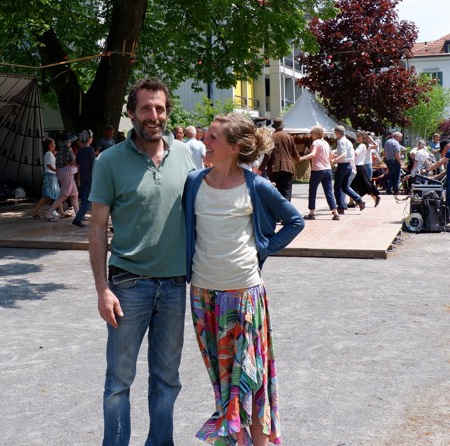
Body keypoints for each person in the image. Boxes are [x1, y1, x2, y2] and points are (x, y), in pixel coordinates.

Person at [183, 113, 304, 446]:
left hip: (243, 294)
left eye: (212, 137)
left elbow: (294, 222)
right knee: (223, 383)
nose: (204, 142)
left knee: (250, 379)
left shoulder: (256, 185)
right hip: (203, 295)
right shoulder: (194, 182)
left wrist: (262, 250)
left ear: (234, 148)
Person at [88, 77, 195, 446]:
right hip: (127, 285)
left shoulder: (186, 155)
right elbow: (98, 228)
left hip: (174, 285)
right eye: (146, 108)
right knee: (119, 381)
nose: (154, 115)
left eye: (160, 108)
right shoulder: (109, 161)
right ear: (131, 112)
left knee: (168, 378)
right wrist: (102, 289)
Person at [298, 125, 339, 220]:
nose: (310, 134)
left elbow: (313, 154)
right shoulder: (325, 143)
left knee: (312, 191)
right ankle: (335, 212)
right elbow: (331, 157)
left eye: (311, 132)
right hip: (327, 169)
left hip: (317, 170)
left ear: (316, 133)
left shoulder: (315, 142)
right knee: (329, 192)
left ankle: (312, 212)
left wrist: (301, 158)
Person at [260, 117, 300, 201]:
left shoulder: (271, 138)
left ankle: (278, 212)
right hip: (287, 168)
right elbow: (295, 154)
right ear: (282, 126)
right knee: (287, 193)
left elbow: (267, 156)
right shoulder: (289, 137)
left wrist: (260, 169)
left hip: (274, 169)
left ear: (274, 127)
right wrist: (298, 159)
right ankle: (287, 211)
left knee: (276, 193)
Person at [427, 139, 450, 229]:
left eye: (443, 150)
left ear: (447, 145)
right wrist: (435, 178)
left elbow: (440, 163)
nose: (444, 152)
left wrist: (428, 170)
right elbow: (447, 171)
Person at [332, 126, 365, 214]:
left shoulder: (341, 141)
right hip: (349, 166)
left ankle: (340, 207)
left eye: (335, 132)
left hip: (343, 166)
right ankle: (359, 200)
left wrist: (334, 160)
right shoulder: (348, 141)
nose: (335, 134)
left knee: (337, 187)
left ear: (338, 132)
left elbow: (344, 154)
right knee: (345, 187)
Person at [31, 137, 63, 220]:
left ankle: (61, 212)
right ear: (50, 145)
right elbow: (49, 165)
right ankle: (36, 211)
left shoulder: (50, 154)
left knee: (56, 195)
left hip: (52, 176)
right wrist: (56, 170)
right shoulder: (49, 154)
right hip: (50, 176)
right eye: (54, 143)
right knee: (47, 196)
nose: (55, 145)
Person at [47, 133, 78, 220]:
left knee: (74, 194)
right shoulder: (68, 149)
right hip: (68, 173)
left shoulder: (60, 150)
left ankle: (78, 214)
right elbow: (73, 161)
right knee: (64, 195)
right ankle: (49, 212)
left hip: (62, 173)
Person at [349, 132, 381, 207]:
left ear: (363, 138)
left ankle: (374, 197)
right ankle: (352, 201)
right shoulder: (363, 145)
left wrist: (349, 152)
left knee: (362, 185)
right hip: (359, 166)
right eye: (357, 136)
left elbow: (355, 154)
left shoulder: (361, 145)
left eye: (359, 136)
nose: (358, 138)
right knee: (355, 185)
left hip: (358, 167)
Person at [72, 130, 95, 228]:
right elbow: (94, 164)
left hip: (82, 177)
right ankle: (78, 218)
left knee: (85, 198)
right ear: (89, 138)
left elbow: (77, 162)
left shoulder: (80, 150)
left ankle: (82, 216)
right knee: (88, 199)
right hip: (90, 177)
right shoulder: (90, 150)